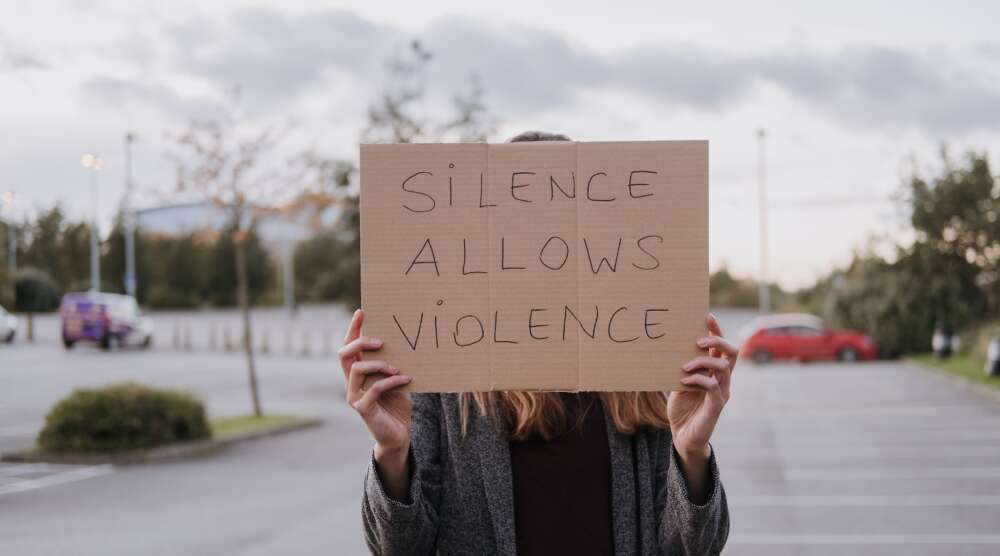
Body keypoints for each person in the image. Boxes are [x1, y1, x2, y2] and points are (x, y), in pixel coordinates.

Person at [340, 131, 732, 555]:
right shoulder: (444, 384)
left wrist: (692, 453)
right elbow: (397, 548)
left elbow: (694, 549)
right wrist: (392, 453)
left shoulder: (638, 380)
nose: (545, 248)